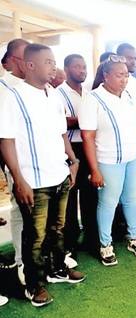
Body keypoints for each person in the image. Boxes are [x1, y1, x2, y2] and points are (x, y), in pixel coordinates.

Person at [0, 43, 86, 308]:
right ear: (30, 65)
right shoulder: (13, 97)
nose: (54, 67)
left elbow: (62, 133)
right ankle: (33, 285)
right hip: (33, 182)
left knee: (57, 229)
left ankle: (58, 269)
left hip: (59, 174)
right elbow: (6, 141)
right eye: (48, 62)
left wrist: (73, 160)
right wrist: (18, 180)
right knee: (34, 237)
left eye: (54, 61)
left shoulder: (54, 95)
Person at [79, 55, 136, 266]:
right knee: (108, 202)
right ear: (106, 75)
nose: (124, 79)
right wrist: (95, 169)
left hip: (133, 157)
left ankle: (134, 237)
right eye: (119, 75)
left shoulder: (130, 95)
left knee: (130, 199)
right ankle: (105, 244)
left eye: (127, 75)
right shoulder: (93, 99)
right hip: (108, 161)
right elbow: (87, 137)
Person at [56, 54, 98, 258]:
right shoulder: (58, 94)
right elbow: (61, 124)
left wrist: (78, 121)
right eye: (77, 67)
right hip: (69, 148)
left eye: (84, 67)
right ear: (66, 69)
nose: (82, 70)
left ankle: (91, 239)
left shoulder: (90, 92)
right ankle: (69, 244)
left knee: (91, 195)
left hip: (90, 147)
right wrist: (85, 120)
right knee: (70, 198)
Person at [0, 38, 30, 287]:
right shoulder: (4, 87)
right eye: (25, 58)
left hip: (40, 164)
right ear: (11, 60)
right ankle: (22, 262)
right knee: (21, 211)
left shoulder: (31, 86)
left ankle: (40, 261)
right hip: (18, 162)